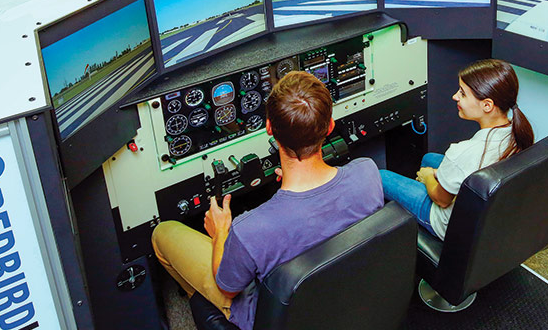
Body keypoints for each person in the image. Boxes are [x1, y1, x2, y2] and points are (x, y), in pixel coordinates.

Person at [151, 71, 383, 330]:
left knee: (163, 233)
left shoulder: (247, 229)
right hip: (345, 300)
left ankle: (206, 310)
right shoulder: (368, 173)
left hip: (271, 316)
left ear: (269, 128)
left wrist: (220, 234)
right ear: (329, 126)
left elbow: (227, 287)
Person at [379, 59, 534, 240]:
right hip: (488, 211)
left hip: (448, 223)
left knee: (381, 176)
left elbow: (442, 200)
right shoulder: (517, 133)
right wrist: (437, 173)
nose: (455, 97)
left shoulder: (462, 152)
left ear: (487, 105)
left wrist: (429, 176)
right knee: (429, 158)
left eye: (463, 93)